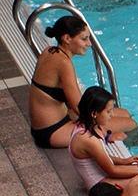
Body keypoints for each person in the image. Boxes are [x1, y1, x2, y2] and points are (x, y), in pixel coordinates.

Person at [67, 88, 138, 190]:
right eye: (108, 111)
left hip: (102, 177)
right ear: (94, 114)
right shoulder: (88, 139)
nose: (111, 115)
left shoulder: (85, 126)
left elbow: (100, 156)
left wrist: (123, 161)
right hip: (99, 185)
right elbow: (113, 171)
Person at [27, 15, 92, 149]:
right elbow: (78, 107)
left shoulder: (49, 51)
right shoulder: (64, 63)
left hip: (47, 127)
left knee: (118, 115)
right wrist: (101, 125)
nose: (89, 43)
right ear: (67, 38)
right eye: (84, 39)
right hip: (52, 132)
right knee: (122, 124)